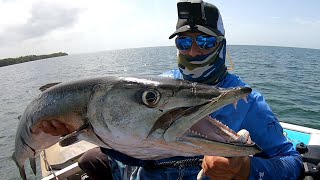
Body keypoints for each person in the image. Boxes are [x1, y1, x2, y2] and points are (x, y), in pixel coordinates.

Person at [39, 1, 303, 179]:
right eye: (184, 41)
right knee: (90, 158)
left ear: (221, 45)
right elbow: (134, 144)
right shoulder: (159, 84)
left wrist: (246, 169)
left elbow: (292, 163)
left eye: (205, 40)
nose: (193, 51)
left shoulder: (247, 102)